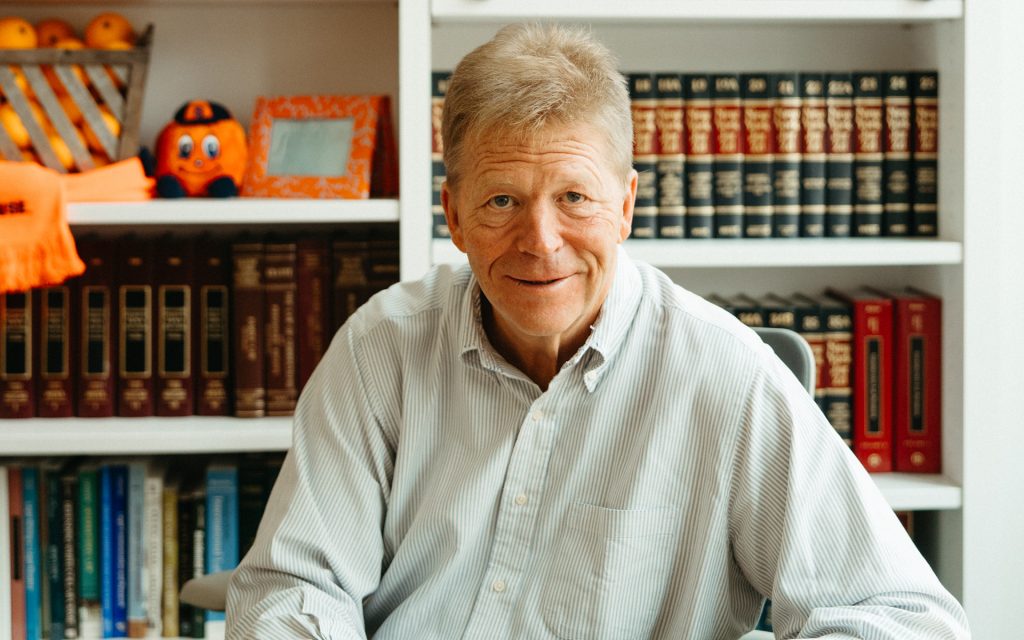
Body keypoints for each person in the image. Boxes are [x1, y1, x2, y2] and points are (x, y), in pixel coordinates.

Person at [226, 23, 970, 639]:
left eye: (575, 197)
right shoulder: (379, 351)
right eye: (502, 201)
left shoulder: (723, 372)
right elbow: (294, 587)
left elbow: (904, 618)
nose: (541, 240)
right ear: (452, 217)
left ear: (626, 206)